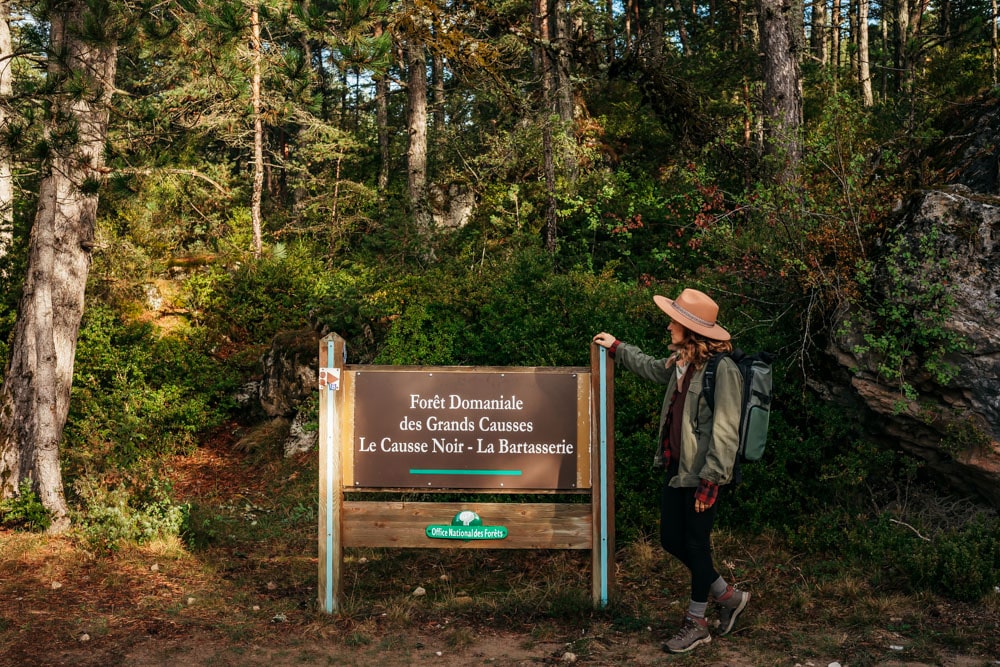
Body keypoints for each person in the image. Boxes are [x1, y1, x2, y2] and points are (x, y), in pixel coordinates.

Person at [593, 287, 750, 654]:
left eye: (674, 321)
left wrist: (711, 481)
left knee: (696, 544)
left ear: (691, 329)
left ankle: (697, 623)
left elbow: (726, 430)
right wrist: (618, 347)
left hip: (703, 475)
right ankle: (727, 596)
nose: (668, 326)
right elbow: (650, 367)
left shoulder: (722, 370)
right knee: (670, 539)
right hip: (676, 469)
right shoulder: (684, 362)